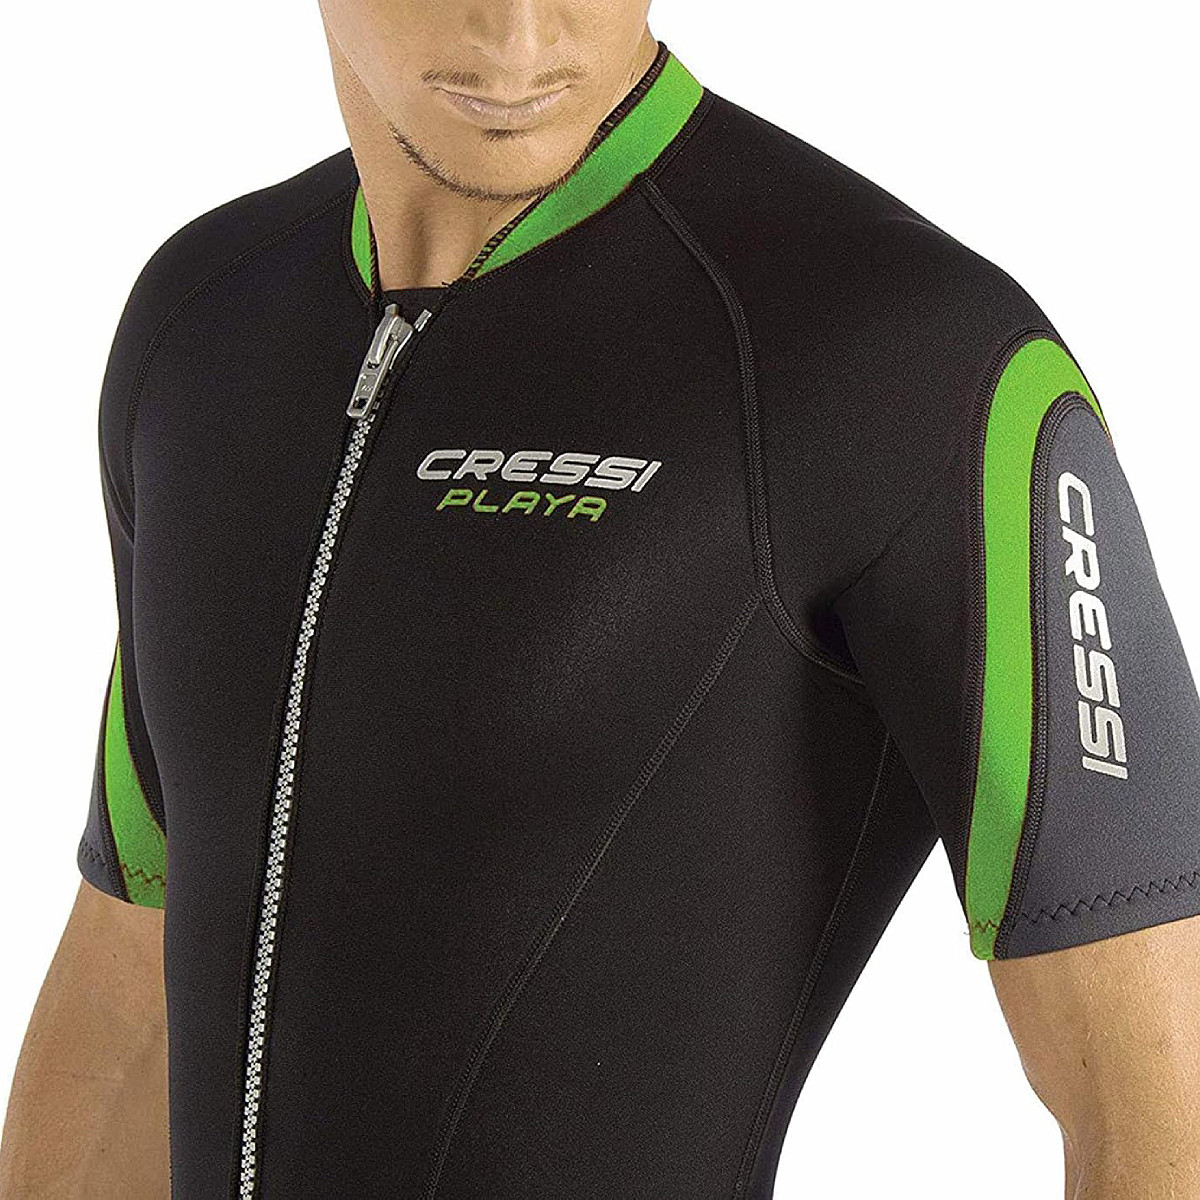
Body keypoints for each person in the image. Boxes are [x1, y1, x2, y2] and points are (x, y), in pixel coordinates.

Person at [2, 2, 1198, 1196]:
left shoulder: (900, 354)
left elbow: (1160, 1096)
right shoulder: (202, 329)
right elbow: (133, 978)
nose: (522, 31)